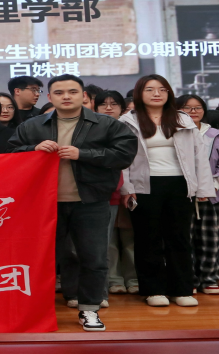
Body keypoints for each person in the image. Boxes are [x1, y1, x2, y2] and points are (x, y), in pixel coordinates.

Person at [9, 75, 137, 332]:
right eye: (59, 93)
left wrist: (83, 154)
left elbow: (124, 154)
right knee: (42, 260)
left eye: (72, 92)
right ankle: (36, 310)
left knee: (93, 257)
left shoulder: (106, 124)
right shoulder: (32, 126)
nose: (66, 96)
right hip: (44, 205)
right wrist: (32, 149)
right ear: (49, 97)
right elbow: (10, 155)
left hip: (91, 201)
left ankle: (89, 309)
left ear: (84, 96)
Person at [118, 75, 214, 307]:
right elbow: (123, 158)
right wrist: (127, 187)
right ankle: (153, 290)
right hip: (144, 185)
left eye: (162, 89)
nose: (157, 94)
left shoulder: (182, 119)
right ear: (139, 93)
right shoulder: (127, 121)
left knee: (179, 238)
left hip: (180, 184)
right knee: (147, 238)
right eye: (150, 89)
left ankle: (181, 290)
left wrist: (202, 187)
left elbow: (199, 155)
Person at [176, 94, 219, 295]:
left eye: (198, 108)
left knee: (209, 239)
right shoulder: (172, 132)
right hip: (181, 195)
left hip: (212, 196)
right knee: (184, 239)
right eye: (187, 108)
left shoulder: (216, 135)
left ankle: (209, 278)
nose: (193, 112)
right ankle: (188, 279)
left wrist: (210, 186)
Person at [94, 90, 138, 296]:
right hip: (105, 192)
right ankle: (113, 280)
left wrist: (130, 187)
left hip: (133, 190)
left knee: (131, 237)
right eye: (103, 104)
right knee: (107, 240)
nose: (108, 108)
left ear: (122, 108)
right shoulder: (91, 128)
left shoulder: (133, 128)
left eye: (114, 104)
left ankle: (134, 278)